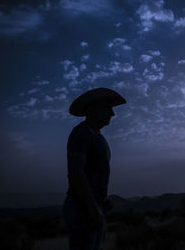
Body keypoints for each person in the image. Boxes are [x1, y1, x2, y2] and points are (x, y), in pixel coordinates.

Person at [62, 88, 126, 250]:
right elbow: (76, 174)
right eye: (107, 108)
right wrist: (93, 210)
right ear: (92, 108)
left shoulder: (96, 135)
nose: (112, 114)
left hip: (92, 207)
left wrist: (101, 202)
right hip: (83, 209)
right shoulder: (82, 133)